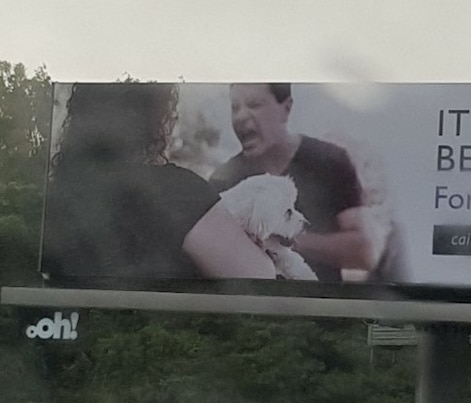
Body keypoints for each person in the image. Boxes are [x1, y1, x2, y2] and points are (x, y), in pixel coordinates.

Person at [41, 83, 277, 281]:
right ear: (152, 122)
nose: (172, 124)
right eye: (169, 115)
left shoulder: (56, 196)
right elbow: (259, 278)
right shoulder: (178, 191)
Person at [209, 83, 386, 282]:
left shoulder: (329, 160)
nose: (240, 116)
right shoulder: (222, 181)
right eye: (235, 108)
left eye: (254, 104)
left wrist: (287, 238)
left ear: (286, 108)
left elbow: (364, 252)